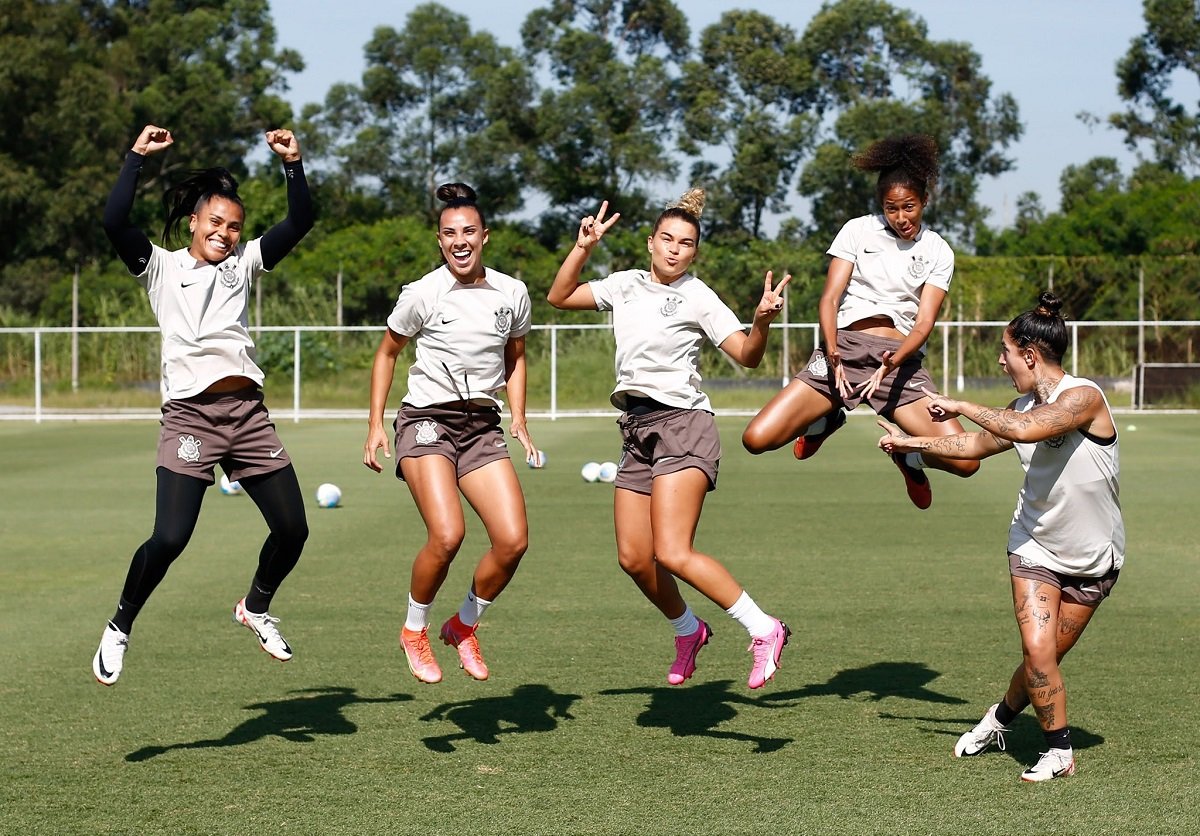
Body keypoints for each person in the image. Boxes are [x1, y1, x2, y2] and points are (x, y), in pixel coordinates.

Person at [93, 124, 315, 686]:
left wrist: (293, 164)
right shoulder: (160, 267)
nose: (225, 232)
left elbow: (300, 221)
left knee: (293, 530)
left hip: (247, 417)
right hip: (190, 417)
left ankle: (256, 607)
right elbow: (114, 220)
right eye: (215, 221)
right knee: (170, 537)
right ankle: (120, 627)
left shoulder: (244, 264)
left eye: (234, 226)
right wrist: (137, 158)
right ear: (193, 221)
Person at [547, 189, 792, 690]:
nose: (675, 249)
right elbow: (559, 296)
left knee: (674, 552)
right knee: (634, 558)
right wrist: (584, 248)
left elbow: (747, 355)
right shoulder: (625, 285)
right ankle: (689, 630)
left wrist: (762, 322)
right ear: (650, 243)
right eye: (667, 239)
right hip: (637, 430)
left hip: (684, 425)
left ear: (695, 253)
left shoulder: (698, 296)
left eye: (686, 243)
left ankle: (764, 628)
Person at [877, 291, 1124, 782]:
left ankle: (998, 719)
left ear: (1030, 355)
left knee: (1043, 658)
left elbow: (1027, 430)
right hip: (1033, 546)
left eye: (1006, 352)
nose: (1001, 360)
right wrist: (912, 444)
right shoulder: (1022, 405)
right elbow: (974, 443)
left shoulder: (1083, 397)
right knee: (1038, 651)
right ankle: (1059, 752)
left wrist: (963, 403)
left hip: (1095, 557)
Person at [741, 134, 978, 508]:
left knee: (966, 458)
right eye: (891, 208)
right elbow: (830, 299)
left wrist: (890, 366)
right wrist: (833, 354)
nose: (901, 217)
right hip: (844, 353)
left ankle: (909, 455)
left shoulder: (937, 250)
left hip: (899, 364)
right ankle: (826, 419)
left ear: (925, 202)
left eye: (909, 207)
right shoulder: (857, 230)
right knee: (756, 439)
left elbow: (923, 324)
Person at [364, 183, 537, 685]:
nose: (459, 241)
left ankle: (463, 625)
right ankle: (414, 630)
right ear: (439, 241)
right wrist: (376, 423)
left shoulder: (512, 293)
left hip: (481, 426)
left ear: (485, 236)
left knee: (512, 541)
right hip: (426, 421)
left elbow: (517, 357)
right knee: (448, 533)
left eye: (468, 232)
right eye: (448, 234)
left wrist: (519, 417)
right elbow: (387, 353)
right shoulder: (421, 293)